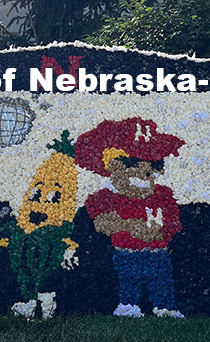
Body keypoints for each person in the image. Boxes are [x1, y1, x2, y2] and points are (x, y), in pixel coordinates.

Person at [75, 117, 185, 318]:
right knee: (129, 278)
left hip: (158, 252)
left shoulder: (163, 195)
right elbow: (102, 223)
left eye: (148, 172)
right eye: (131, 170)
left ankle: (165, 307)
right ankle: (129, 306)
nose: (143, 178)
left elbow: (173, 222)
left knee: (160, 278)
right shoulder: (106, 197)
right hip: (126, 252)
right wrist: (130, 225)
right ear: (115, 170)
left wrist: (157, 230)